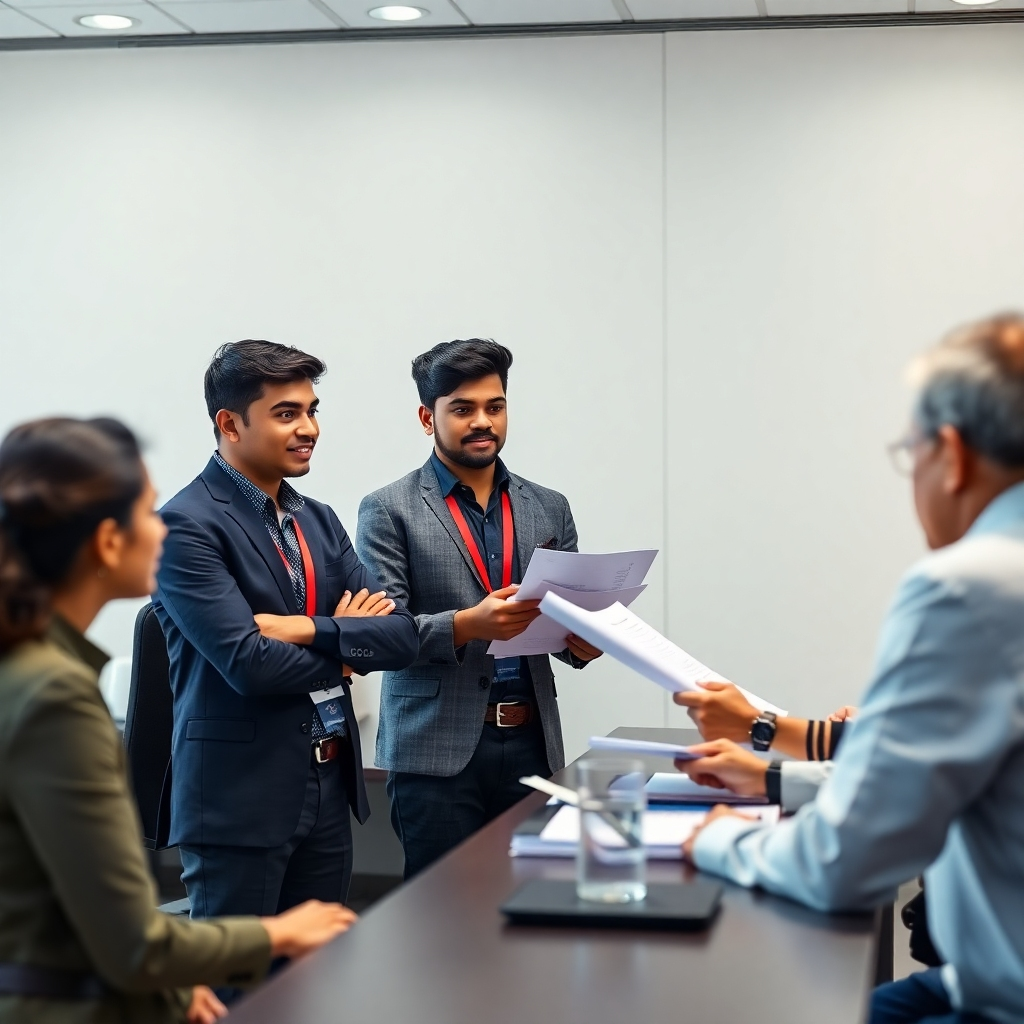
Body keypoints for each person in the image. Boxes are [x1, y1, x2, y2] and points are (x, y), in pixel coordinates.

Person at [677, 314, 1024, 1024]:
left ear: (952, 455)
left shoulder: (971, 587)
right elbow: (923, 778)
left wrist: (719, 839)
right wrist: (775, 776)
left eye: (910, 452)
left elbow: (844, 862)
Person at [0, 417, 355, 1023]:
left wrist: (177, 987)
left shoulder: (34, 668)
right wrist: (281, 935)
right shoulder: (56, 698)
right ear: (107, 543)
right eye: (146, 512)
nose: (162, 526)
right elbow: (136, 944)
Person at [153, 341, 418, 927]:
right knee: (238, 976)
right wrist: (348, 648)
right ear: (230, 424)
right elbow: (249, 665)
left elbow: (401, 636)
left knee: (318, 972)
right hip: (239, 799)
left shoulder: (317, 518)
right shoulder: (185, 525)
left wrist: (306, 629)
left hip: (327, 781)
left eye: (312, 410)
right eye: (286, 414)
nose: (309, 429)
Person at [356, 338, 603, 878]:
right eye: (463, 409)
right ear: (427, 417)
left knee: (531, 898)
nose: (482, 422)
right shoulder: (387, 509)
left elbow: (566, 620)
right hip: (433, 752)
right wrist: (468, 625)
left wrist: (584, 642)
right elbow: (382, 635)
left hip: (532, 743)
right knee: (443, 911)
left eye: (495, 406)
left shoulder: (549, 507)